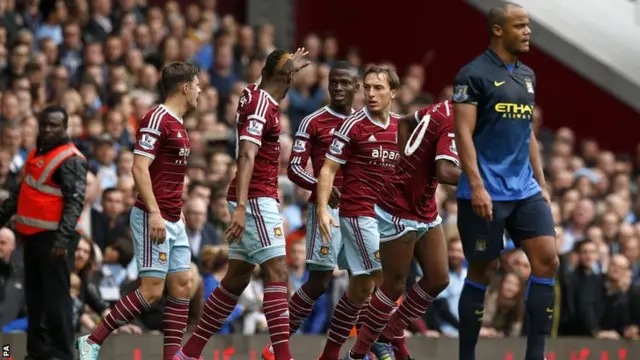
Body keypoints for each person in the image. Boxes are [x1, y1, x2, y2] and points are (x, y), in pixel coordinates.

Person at [174, 48, 310, 360]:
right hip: (256, 198)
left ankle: (189, 353)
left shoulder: (254, 93)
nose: (296, 71)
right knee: (277, 274)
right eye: (291, 68)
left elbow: (275, 79)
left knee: (235, 279)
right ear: (280, 73)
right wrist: (241, 206)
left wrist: (291, 67)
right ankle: (282, 356)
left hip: (252, 196)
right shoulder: (261, 104)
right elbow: (246, 153)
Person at [452, 3, 558, 360]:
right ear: (499, 30)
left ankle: (536, 355)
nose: (528, 32)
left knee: (548, 261)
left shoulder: (528, 75)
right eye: (520, 26)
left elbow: (527, 133)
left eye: (528, 26)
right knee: (484, 269)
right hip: (486, 191)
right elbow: (463, 134)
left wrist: (541, 183)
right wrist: (477, 185)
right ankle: (467, 355)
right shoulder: (473, 75)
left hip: (524, 189)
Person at [77, 61, 201, 360]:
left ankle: (172, 356)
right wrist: (156, 212)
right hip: (151, 217)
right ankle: (92, 341)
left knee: (182, 286)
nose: (200, 91)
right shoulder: (156, 118)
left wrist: (176, 209)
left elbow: (165, 175)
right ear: (184, 87)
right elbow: (139, 167)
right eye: (197, 85)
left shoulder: (178, 122)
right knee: (152, 291)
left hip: (173, 217)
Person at [346, 101, 461, 360]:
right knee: (392, 287)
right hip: (398, 209)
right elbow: (445, 172)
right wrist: (481, 181)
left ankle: (387, 335)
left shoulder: (441, 108)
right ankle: (356, 354)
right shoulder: (453, 118)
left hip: (426, 208)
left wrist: (407, 159)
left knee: (439, 277)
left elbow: (407, 120)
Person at [262, 61, 359, 360]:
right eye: (334, 82)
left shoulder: (366, 122)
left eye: (345, 83)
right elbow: (293, 169)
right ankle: (276, 346)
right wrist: (323, 188)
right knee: (319, 280)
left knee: (366, 282)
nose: (339, 88)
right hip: (325, 211)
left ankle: (354, 350)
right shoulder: (313, 121)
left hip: (362, 213)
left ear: (356, 87)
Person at [316, 65, 401, 360]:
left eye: (378, 88)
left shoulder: (401, 127)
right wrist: (322, 209)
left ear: (393, 92)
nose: (371, 93)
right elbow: (328, 169)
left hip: (388, 218)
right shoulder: (352, 124)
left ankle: (329, 354)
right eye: (367, 87)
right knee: (386, 280)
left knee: (360, 288)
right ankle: (394, 349)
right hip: (357, 212)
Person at [0, 105, 88, 360]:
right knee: (35, 299)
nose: (48, 129)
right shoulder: (37, 154)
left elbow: (75, 202)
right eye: (44, 124)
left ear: (64, 127)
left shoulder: (70, 159)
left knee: (57, 300)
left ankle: (61, 354)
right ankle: (37, 352)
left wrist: (62, 240)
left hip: (55, 240)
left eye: (54, 125)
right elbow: (21, 193)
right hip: (34, 238)